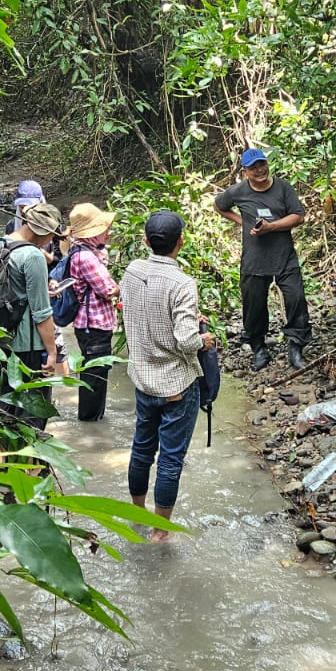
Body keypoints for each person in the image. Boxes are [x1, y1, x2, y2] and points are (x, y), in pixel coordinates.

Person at [120, 210, 215, 541]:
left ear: (146, 241)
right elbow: (187, 342)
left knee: (142, 449)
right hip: (176, 384)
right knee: (171, 460)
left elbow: (135, 310)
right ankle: (161, 533)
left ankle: (137, 513)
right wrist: (204, 338)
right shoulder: (183, 283)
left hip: (143, 379)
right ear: (181, 243)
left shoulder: (132, 271)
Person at [214, 148, 310, 371]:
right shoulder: (238, 191)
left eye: (262, 164)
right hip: (255, 259)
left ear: (267, 164)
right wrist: (243, 222)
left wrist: (271, 227)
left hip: (284, 255)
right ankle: (259, 349)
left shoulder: (283, 187)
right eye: (253, 167)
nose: (259, 170)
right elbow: (219, 206)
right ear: (245, 171)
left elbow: (299, 216)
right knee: (254, 304)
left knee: (296, 300)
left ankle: (295, 347)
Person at [0, 202, 69, 432]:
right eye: (51, 236)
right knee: (32, 414)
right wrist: (52, 352)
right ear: (43, 231)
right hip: (29, 348)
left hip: (2, 340)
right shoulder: (33, 256)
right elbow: (42, 313)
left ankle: (3, 459)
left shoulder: (2, 244)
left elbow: (14, 290)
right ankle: (29, 465)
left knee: (5, 406)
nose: (51, 241)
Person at [65, 202, 118, 422]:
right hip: (93, 325)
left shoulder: (84, 251)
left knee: (97, 373)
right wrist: (121, 287)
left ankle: (94, 419)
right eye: (104, 229)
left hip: (92, 324)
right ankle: (90, 422)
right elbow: (108, 289)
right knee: (94, 376)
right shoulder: (86, 257)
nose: (108, 232)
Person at [6, 180, 61, 265]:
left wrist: (48, 257)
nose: (25, 211)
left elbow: (61, 261)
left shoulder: (53, 225)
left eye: (30, 206)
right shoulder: (11, 226)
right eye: (22, 207)